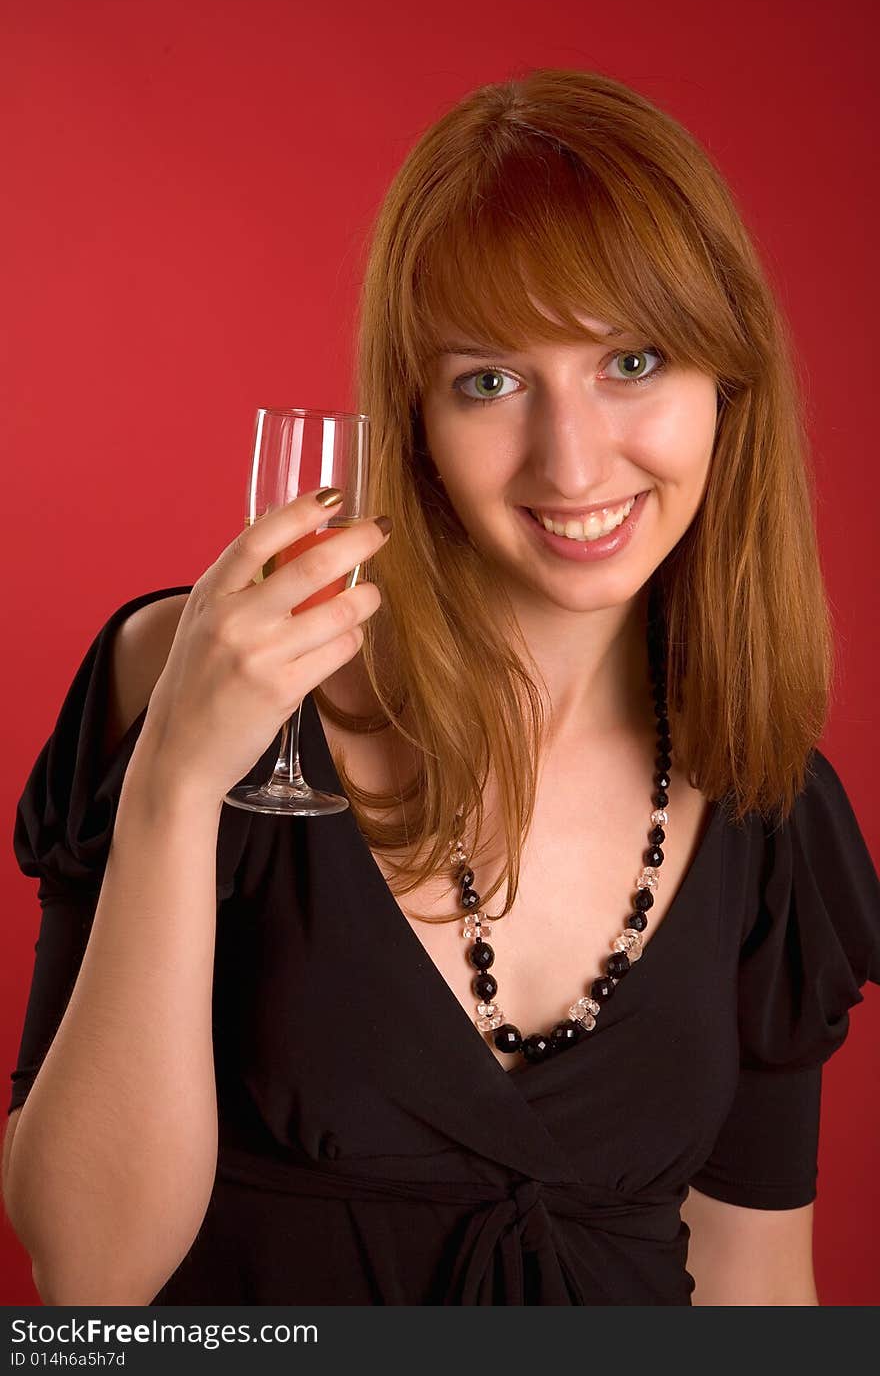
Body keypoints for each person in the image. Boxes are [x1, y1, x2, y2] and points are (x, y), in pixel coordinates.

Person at [3, 67, 880, 1307]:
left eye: (632, 360)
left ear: (727, 388)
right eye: (491, 380)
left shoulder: (767, 807)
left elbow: (753, 1290)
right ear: (412, 420)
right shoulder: (194, 679)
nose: (573, 462)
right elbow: (89, 1275)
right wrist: (180, 778)